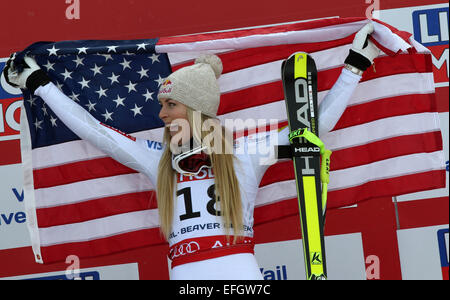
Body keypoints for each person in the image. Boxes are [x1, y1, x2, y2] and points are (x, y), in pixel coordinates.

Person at [4, 23, 379, 280]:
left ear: (196, 109)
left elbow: (313, 128)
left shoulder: (243, 151)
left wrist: (354, 67)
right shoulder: (158, 159)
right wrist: (40, 84)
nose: (162, 114)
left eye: (170, 106)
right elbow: (95, 131)